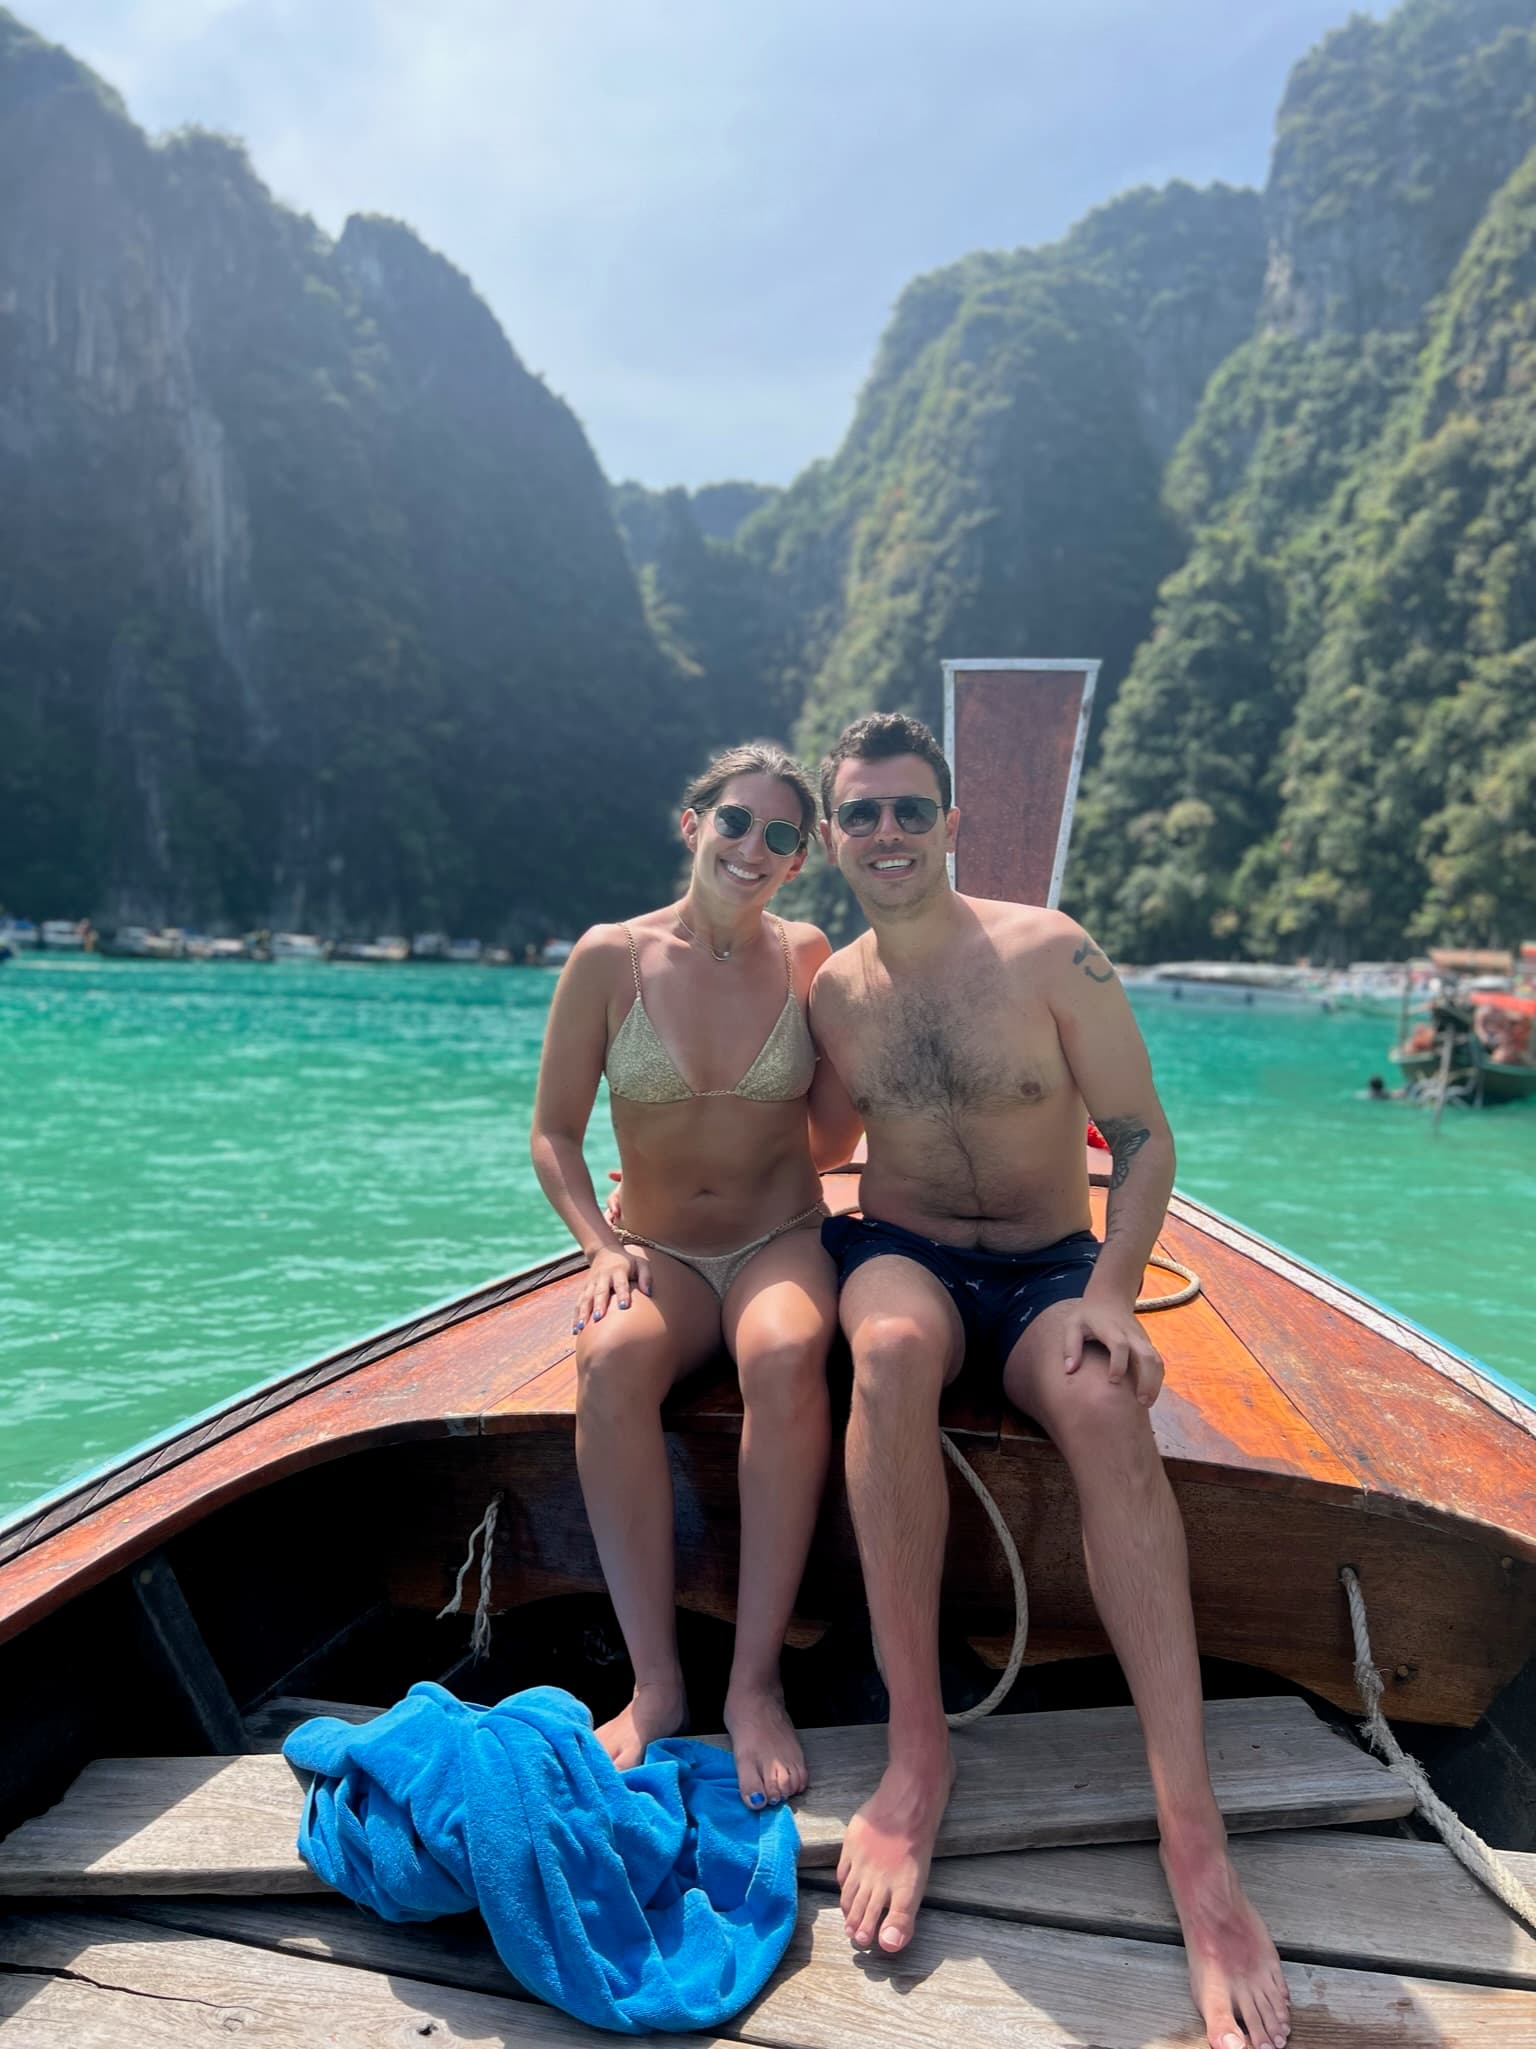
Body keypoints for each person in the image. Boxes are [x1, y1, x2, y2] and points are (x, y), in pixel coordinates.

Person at [808, 711, 1290, 2049]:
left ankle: (1195, 1842)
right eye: (864, 815)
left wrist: (1111, 1292)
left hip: (1044, 1269)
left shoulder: (1050, 949)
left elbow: (1140, 1135)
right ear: (836, 836)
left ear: (953, 823)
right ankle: (918, 1754)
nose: (889, 834)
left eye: (912, 810)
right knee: (888, 1350)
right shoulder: (833, 992)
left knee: (1096, 1399)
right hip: (901, 1253)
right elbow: (804, 1129)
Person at [530, 742, 859, 1810]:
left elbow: (832, 1134)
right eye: (734, 822)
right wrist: (602, 1244)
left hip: (778, 1241)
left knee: (786, 1349)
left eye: (778, 836)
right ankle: (660, 1682)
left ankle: (756, 1682)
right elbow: (552, 1134)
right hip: (658, 1251)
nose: (751, 848)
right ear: (693, 824)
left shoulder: (811, 956)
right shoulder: (608, 959)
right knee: (612, 1357)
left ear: (799, 859)